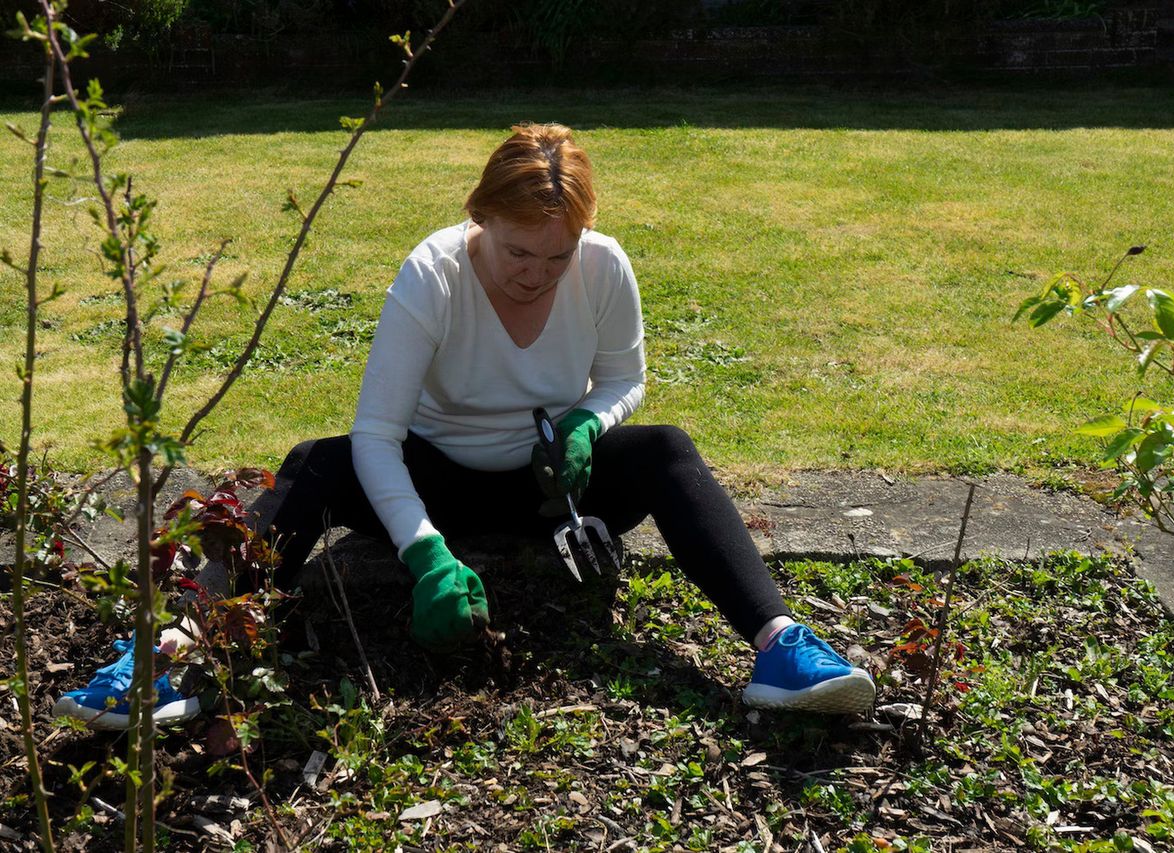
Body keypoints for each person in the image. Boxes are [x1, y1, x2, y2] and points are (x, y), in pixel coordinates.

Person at [54, 123, 875, 730]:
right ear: (481, 217)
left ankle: (780, 645)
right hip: (433, 479)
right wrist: (422, 550)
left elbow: (625, 376)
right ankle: (171, 653)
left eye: (558, 257)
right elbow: (377, 435)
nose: (538, 275)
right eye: (520, 251)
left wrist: (590, 420)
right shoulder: (432, 273)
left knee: (665, 448)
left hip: (552, 485)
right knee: (311, 464)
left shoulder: (605, 265)